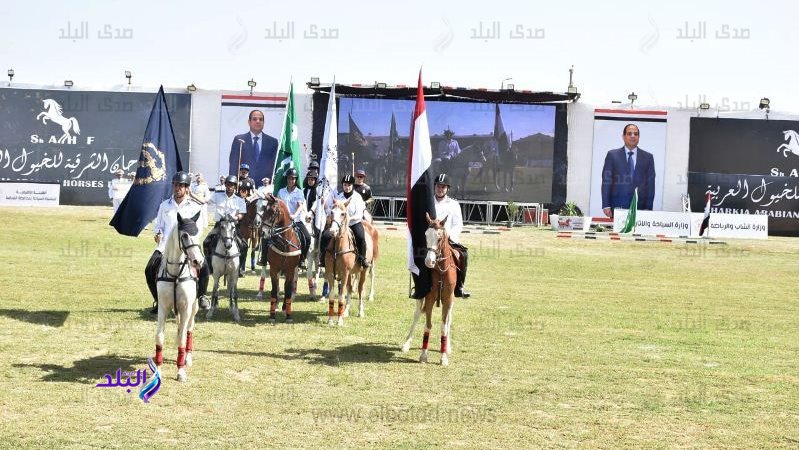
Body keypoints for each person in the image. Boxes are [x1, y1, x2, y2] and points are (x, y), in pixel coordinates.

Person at [144, 172, 205, 313]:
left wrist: (190, 245)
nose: (177, 188)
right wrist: (158, 233)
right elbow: (158, 226)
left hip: (188, 246)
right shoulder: (164, 205)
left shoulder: (195, 207)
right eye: (175, 185)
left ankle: (201, 297)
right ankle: (159, 301)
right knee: (149, 269)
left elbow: (199, 229)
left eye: (181, 186)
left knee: (205, 268)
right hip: (165, 246)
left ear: (187, 188)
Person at [201, 175, 246, 304]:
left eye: (232, 185)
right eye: (228, 184)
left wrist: (236, 218)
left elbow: (242, 213)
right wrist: (193, 195)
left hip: (232, 226)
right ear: (225, 185)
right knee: (207, 242)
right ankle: (210, 266)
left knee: (244, 245)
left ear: (234, 187)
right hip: (219, 225)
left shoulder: (239, 199)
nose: (230, 187)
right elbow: (205, 201)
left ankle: (240, 268)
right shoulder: (217, 195)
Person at [601, 124, 656, 217]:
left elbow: (650, 185)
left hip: (640, 208)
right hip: (617, 206)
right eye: (629, 133)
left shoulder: (648, 157)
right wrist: (606, 205)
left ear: (639, 137)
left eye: (636, 134)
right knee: (619, 232)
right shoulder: (612, 155)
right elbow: (606, 181)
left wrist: (648, 207)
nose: (633, 136)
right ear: (623, 136)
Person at [433, 173, 470, 298]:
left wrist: (449, 236)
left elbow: (458, 224)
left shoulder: (454, 204)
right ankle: (421, 286)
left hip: (449, 240)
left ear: (447, 189)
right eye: (438, 186)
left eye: (443, 187)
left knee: (463, 255)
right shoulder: (428, 202)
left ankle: (459, 286)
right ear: (434, 187)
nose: (440, 189)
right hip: (432, 240)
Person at [327, 174, 370, 268]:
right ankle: (324, 259)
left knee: (361, 237)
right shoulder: (339, 197)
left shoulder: (357, 197)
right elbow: (333, 210)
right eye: (345, 185)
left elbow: (359, 214)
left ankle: (362, 259)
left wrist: (350, 218)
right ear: (342, 185)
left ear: (352, 186)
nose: (347, 187)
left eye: (349, 185)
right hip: (340, 224)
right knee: (326, 235)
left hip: (353, 223)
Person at [229, 110, 278, 187]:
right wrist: (233, 185)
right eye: (255, 119)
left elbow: (275, 166)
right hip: (243, 187)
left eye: (261, 119)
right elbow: (233, 165)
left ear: (263, 122)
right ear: (249, 122)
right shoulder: (239, 140)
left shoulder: (272, 142)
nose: (258, 121)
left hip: (264, 188)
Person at [276, 168, 310, 269]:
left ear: (296, 180)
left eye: (293, 179)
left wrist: (294, 215)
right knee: (268, 237)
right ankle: (264, 258)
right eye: (290, 178)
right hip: (282, 221)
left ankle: (302, 259)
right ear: (287, 179)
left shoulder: (299, 192)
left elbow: (300, 205)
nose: (291, 181)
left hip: (296, 220)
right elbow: (278, 205)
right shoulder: (281, 192)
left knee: (307, 238)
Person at [236, 179, 258, 277]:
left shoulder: (253, 200)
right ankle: (241, 268)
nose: (243, 191)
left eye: (245, 190)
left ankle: (252, 265)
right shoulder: (236, 197)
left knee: (254, 246)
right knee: (242, 247)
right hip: (240, 223)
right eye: (242, 189)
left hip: (253, 225)